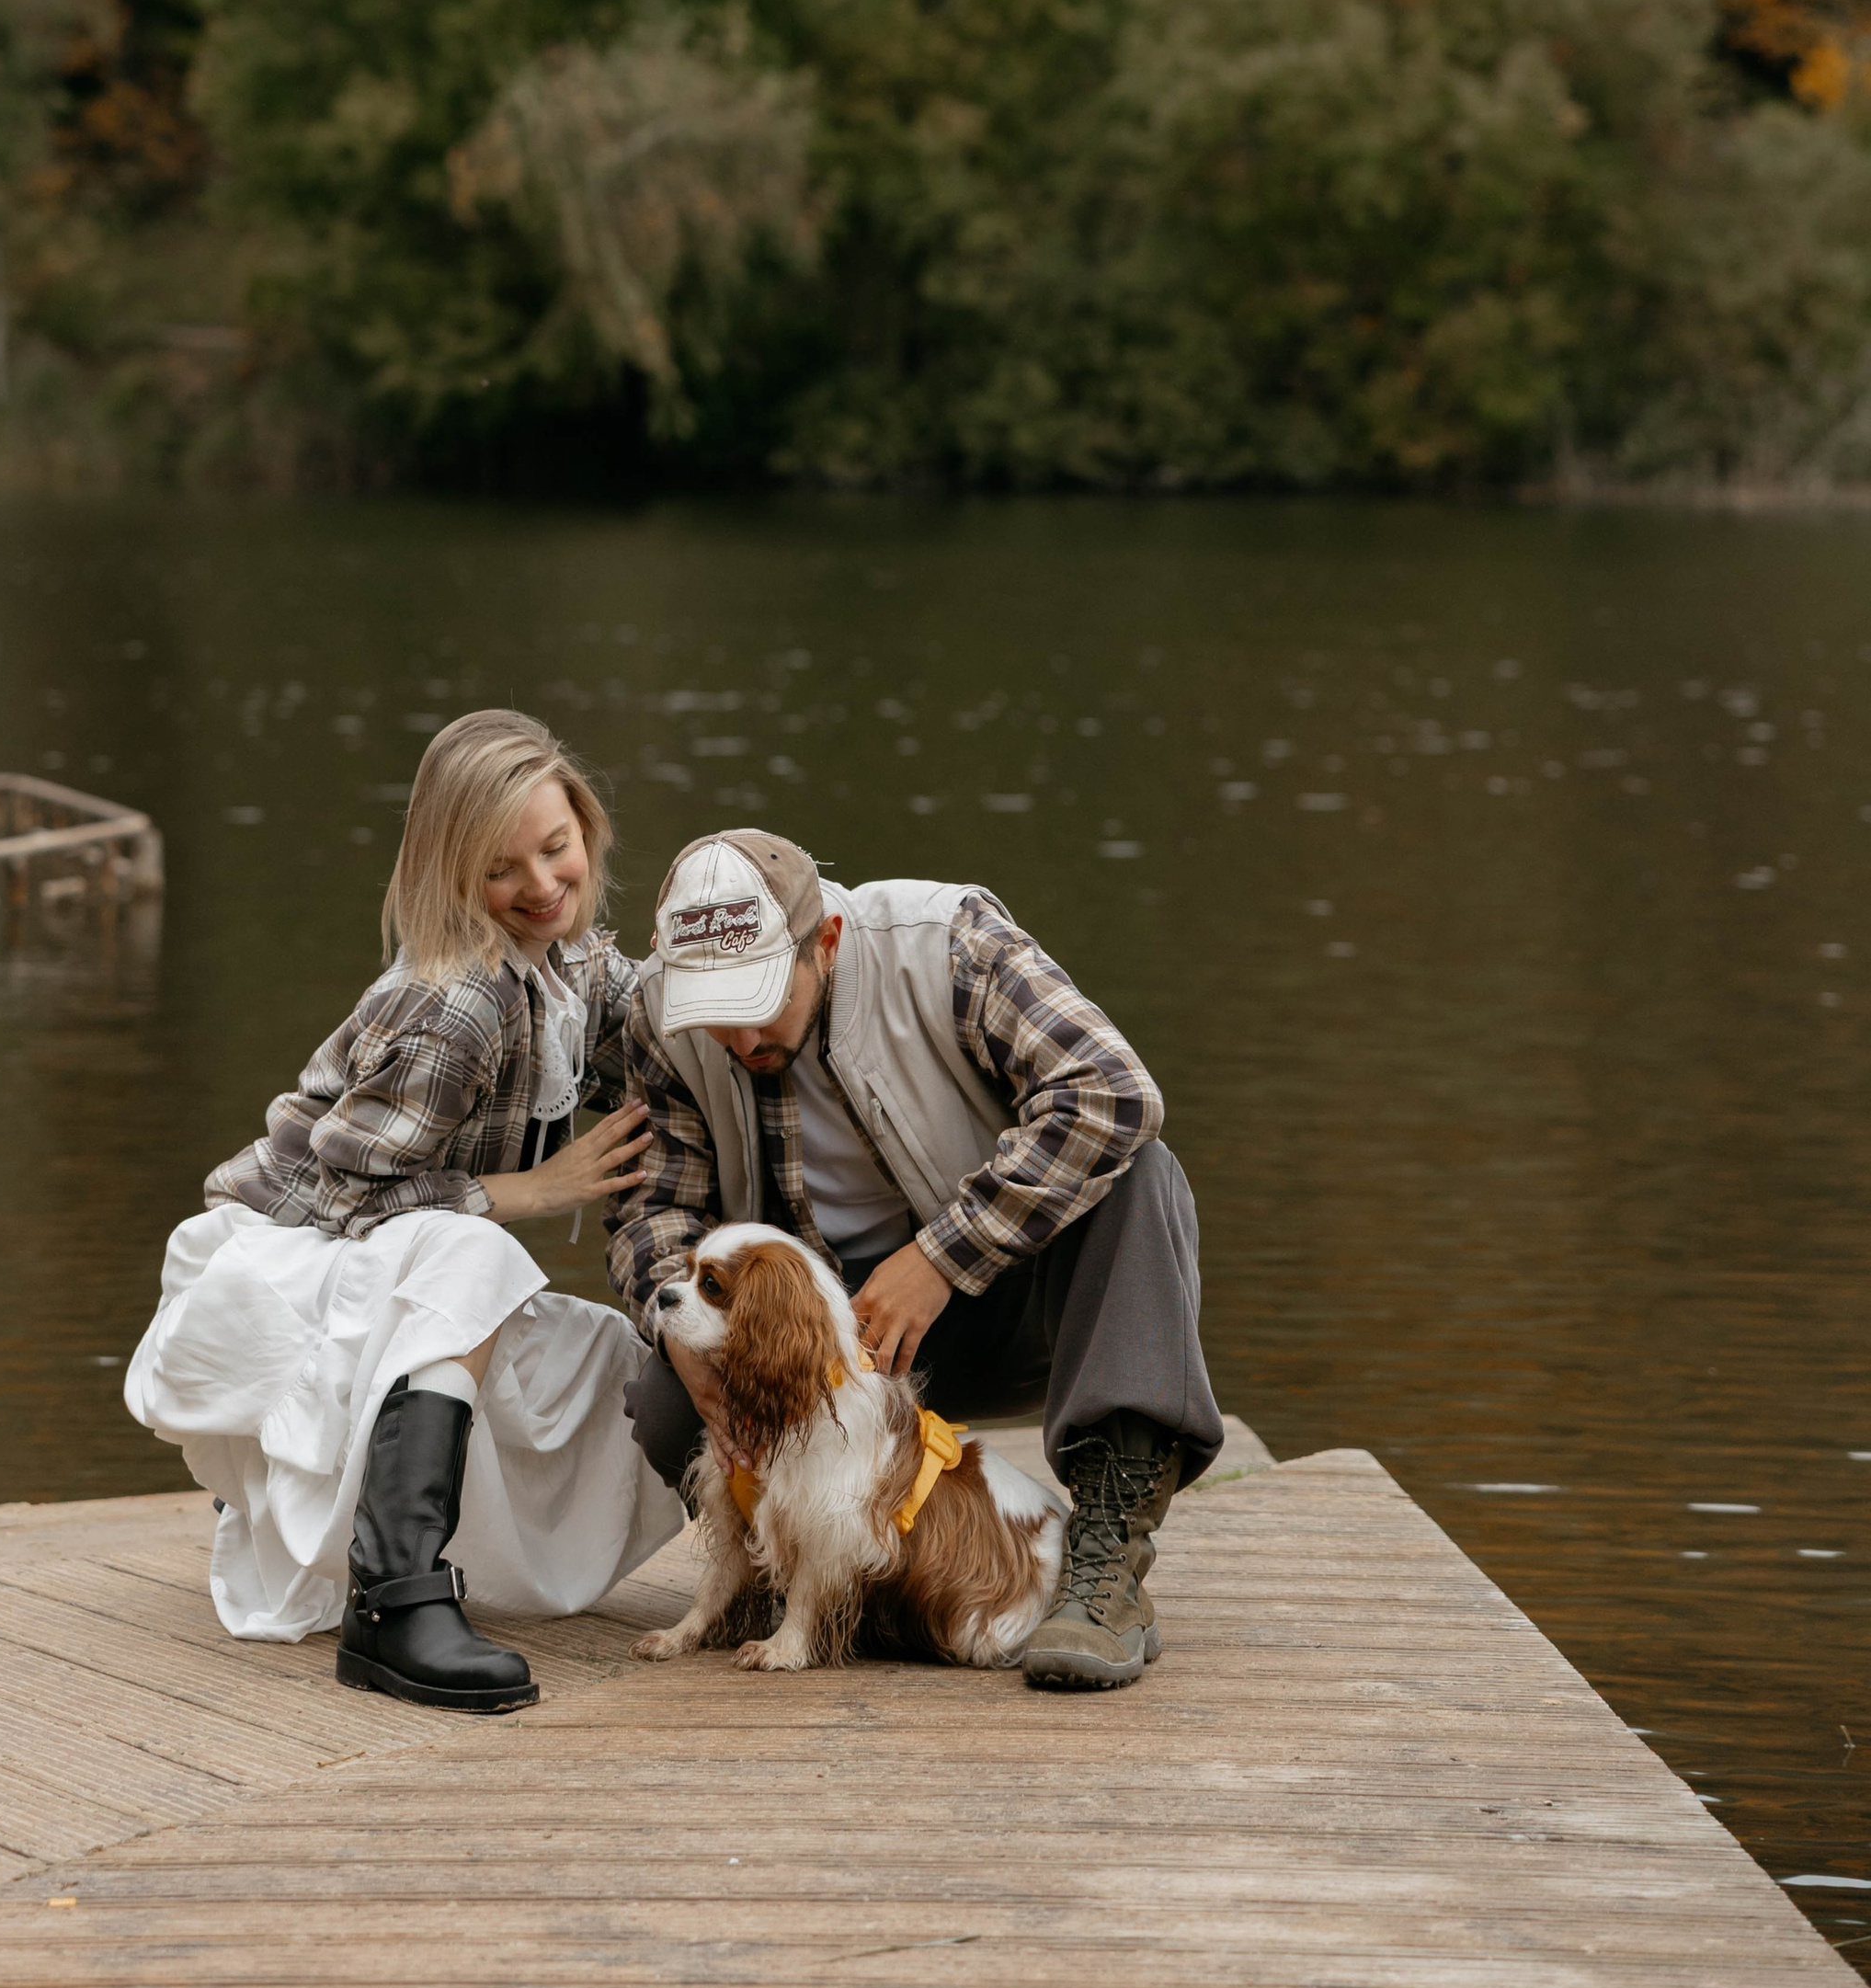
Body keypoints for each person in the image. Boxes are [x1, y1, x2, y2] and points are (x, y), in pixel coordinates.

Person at [125, 711, 682, 1712]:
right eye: (500, 869)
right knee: (469, 1254)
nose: (542, 886)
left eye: (556, 849)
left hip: (381, 1262)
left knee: (615, 1364)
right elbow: (342, 1195)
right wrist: (528, 1191)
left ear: (587, 829)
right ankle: (391, 1603)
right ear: (449, 877)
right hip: (282, 1260)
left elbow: (665, 1030)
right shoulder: (457, 1003)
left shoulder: (570, 970)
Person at [610, 826, 1224, 1690]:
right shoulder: (657, 1019)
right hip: (814, 1345)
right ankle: (807, 1576)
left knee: (1139, 1176)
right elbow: (651, 1210)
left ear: (822, 939)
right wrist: (675, 1329)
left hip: (1006, 1308)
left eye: (756, 1001)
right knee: (663, 1399)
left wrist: (941, 1258)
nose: (737, 1037)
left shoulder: (947, 944)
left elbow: (1113, 1092)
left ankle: (1102, 1573)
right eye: (710, 1010)